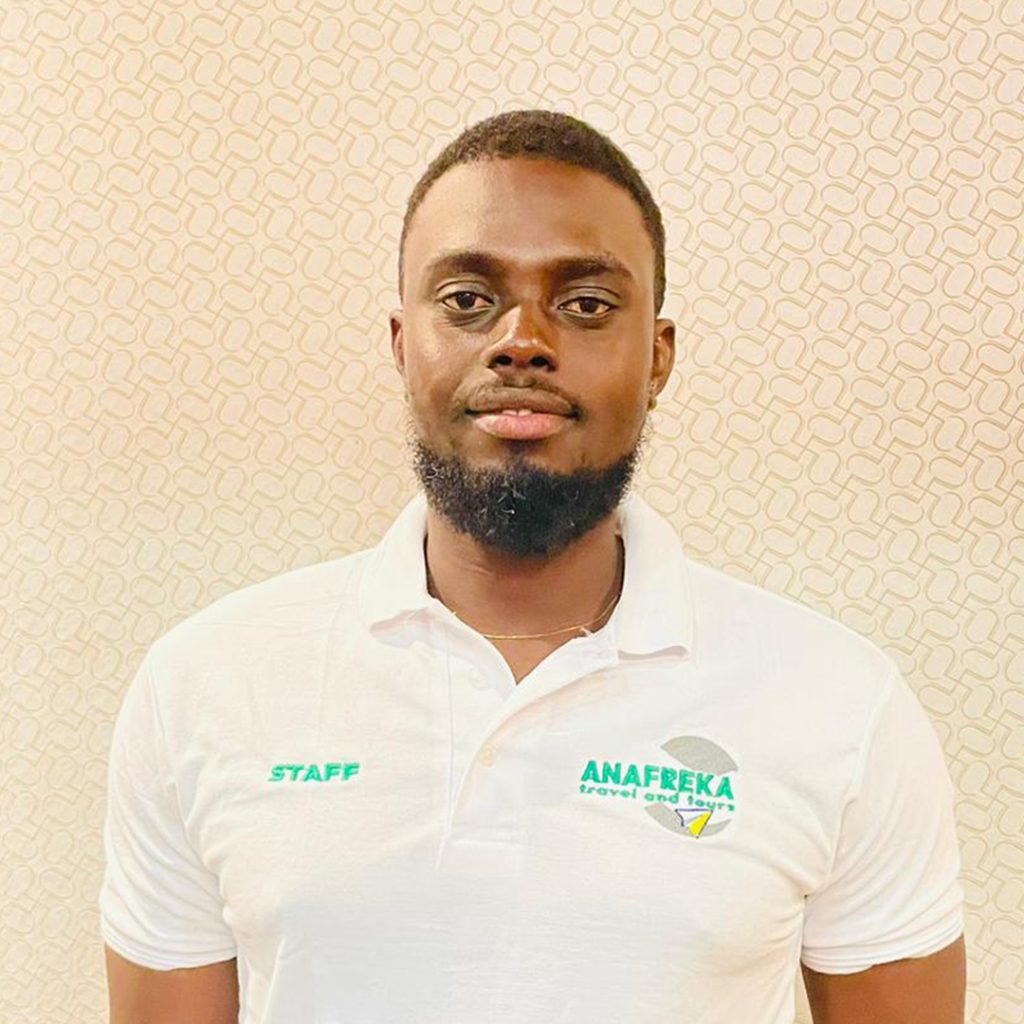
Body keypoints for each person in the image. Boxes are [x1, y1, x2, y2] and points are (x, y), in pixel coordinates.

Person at [100, 109, 966, 1023]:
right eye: (466, 299)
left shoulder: (839, 704)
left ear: (658, 358)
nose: (521, 340)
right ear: (402, 345)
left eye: (585, 303)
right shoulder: (206, 682)